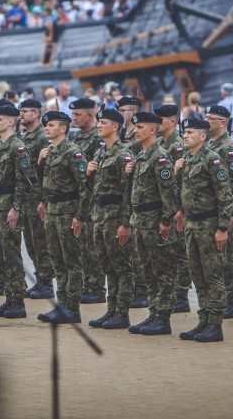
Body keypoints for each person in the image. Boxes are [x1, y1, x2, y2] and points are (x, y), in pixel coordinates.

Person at [174, 117, 232, 342]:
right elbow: (187, 191)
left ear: (202, 136)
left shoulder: (212, 160)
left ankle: (215, 325)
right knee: (197, 274)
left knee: (213, 275)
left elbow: (225, 196)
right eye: (184, 132)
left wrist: (222, 228)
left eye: (189, 132)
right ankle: (203, 320)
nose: (185, 135)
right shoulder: (187, 158)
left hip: (209, 226)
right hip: (192, 225)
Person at [126, 112, 178, 336]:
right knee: (147, 271)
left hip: (155, 223)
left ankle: (163, 318)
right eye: (135, 127)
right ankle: (153, 313)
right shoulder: (142, 156)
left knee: (162, 271)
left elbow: (169, 195)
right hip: (140, 222)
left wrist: (166, 222)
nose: (135, 130)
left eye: (140, 127)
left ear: (152, 130)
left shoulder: (161, 157)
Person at [36, 111, 90, 324]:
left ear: (63, 128)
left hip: (68, 213)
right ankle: (62, 306)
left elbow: (85, 187)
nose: (47, 128)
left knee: (72, 262)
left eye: (51, 125)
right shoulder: (50, 151)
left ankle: (72, 308)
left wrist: (80, 216)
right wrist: (40, 162)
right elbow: (45, 182)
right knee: (57, 261)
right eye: (46, 125)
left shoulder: (73, 153)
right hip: (52, 210)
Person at [86, 108, 136, 330]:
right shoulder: (101, 153)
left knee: (121, 266)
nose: (98, 125)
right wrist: (89, 174)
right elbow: (95, 189)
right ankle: (111, 310)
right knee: (107, 265)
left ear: (115, 126)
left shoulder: (123, 155)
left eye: (103, 122)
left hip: (115, 217)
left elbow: (128, 193)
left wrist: (125, 224)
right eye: (98, 122)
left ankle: (122, 313)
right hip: (100, 216)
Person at [0, 104, 34, 319]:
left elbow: (24, 182)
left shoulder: (17, 147)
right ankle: (9, 298)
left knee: (11, 253)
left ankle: (18, 301)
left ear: (11, 122)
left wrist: (16, 208)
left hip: (8, 208)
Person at [205, 105, 233, 318]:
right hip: (211, 212)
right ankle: (219, 298)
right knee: (215, 258)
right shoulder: (210, 145)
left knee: (227, 257)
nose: (206, 120)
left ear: (222, 122)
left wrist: (227, 215)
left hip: (224, 213)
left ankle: (231, 301)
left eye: (210, 118)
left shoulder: (228, 148)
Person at [155, 104, 192, 314]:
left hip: (176, 207)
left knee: (180, 253)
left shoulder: (178, 146)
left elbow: (181, 182)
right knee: (168, 252)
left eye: (160, 120)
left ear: (172, 121)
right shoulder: (161, 143)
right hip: (164, 206)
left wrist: (180, 209)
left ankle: (181, 295)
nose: (156, 124)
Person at [18, 98, 55, 300]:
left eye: (26, 111)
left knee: (40, 241)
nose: (21, 114)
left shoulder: (42, 137)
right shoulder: (25, 136)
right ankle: (40, 278)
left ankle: (46, 282)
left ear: (36, 113)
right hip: (25, 197)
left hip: (37, 197)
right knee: (31, 242)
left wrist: (43, 199)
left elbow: (46, 172)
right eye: (20, 111)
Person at [69, 97, 106, 304]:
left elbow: (92, 175)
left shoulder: (95, 139)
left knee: (92, 246)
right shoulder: (78, 138)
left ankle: (96, 287)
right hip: (79, 198)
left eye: (77, 114)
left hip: (91, 200)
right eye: (73, 114)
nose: (74, 118)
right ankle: (87, 284)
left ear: (90, 116)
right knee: (81, 245)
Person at [116, 95, 149, 308]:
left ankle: (142, 290)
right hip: (118, 196)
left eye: (124, 110)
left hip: (134, 196)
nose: (120, 114)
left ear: (133, 112)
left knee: (137, 250)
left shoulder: (137, 138)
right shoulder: (120, 135)